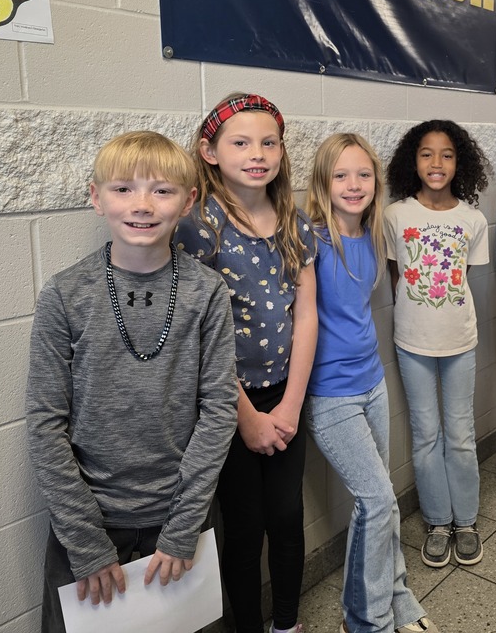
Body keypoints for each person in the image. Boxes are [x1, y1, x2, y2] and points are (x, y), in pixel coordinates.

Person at [27, 131, 238, 632]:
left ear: (188, 201)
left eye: (161, 190)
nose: (142, 204)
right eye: (123, 189)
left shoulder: (207, 292)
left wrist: (183, 527)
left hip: (184, 519)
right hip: (89, 526)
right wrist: (85, 542)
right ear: (96, 197)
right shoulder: (65, 295)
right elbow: (45, 424)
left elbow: (219, 410)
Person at [177, 93, 317, 633]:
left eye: (268, 142)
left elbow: (307, 315)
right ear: (209, 151)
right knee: (243, 524)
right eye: (241, 142)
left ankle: (286, 623)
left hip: (285, 395)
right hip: (226, 403)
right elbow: (197, 336)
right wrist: (247, 418)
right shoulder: (198, 227)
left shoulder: (293, 221)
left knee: (286, 516)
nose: (257, 153)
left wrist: (291, 404)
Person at [304, 133, 439, 633]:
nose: (353, 184)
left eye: (363, 174)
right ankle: (363, 620)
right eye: (340, 175)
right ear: (323, 182)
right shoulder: (310, 240)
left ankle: (397, 596)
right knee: (377, 501)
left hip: (371, 382)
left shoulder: (374, 235)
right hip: (329, 393)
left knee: (384, 499)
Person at [384, 120, 490, 568]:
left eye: (447, 154)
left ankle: (465, 520)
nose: (436, 163)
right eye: (427, 153)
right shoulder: (395, 215)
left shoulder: (473, 219)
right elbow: (396, 276)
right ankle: (438, 521)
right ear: (413, 161)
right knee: (426, 435)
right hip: (412, 342)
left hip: (459, 340)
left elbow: (464, 277)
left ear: (459, 162)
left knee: (460, 435)